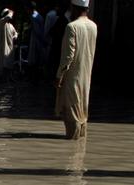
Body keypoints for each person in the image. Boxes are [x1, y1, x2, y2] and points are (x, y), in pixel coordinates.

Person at [56, 0, 97, 140]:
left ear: (73, 8)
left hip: (72, 77)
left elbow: (68, 56)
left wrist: (59, 76)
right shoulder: (93, 26)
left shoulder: (71, 27)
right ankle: (80, 150)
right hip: (86, 77)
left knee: (72, 113)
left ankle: (72, 150)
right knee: (83, 114)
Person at [0, 8, 18, 83]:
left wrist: (15, 36)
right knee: (1, 66)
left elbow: (15, 32)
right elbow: (8, 17)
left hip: (10, 48)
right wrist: (11, 12)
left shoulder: (10, 25)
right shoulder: (1, 22)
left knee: (9, 66)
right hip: (4, 47)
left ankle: (6, 80)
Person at [27, 1, 47, 82]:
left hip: (36, 41)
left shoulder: (34, 17)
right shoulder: (39, 15)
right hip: (39, 40)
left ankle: (34, 79)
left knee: (34, 60)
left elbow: (37, 31)